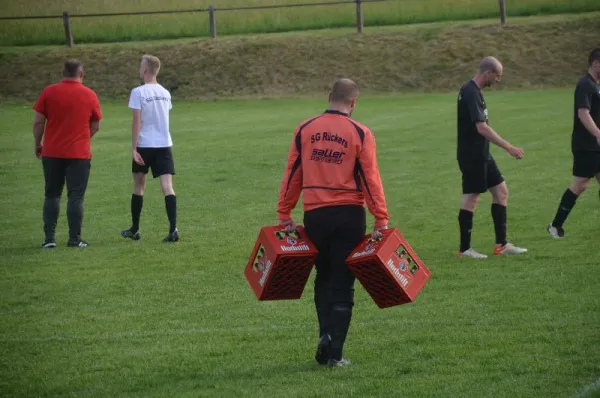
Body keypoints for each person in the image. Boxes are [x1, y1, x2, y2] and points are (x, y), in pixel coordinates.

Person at [276, 78, 390, 367]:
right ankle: (335, 352)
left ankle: (324, 335)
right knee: (343, 282)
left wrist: (284, 213)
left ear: (329, 97)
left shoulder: (305, 129)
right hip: (350, 214)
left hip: (315, 215)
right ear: (353, 103)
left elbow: (293, 174)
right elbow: (370, 178)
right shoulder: (361, 133)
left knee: (323, 277)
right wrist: (381, 218)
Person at [456, 56, 527, 259]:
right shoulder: (470, 92)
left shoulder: (474, 91)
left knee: (501, 192)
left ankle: (501, 245)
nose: (498, 80)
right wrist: (508, 147)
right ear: (487, 73)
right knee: (472, 197)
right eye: (497, 76)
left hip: (482, 154)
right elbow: (481, 127)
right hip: (472, 155)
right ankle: (464, 249)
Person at [33, 59, 102, 248]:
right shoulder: (89, 95)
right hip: (79, 154)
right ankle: (74, 238)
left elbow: (38, 122)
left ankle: (49, 239)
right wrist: (81, 138)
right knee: (75, 196)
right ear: (82, 74)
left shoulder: (49, 92)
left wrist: (38, 143)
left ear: (62, 73)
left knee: (52, 194)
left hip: (52, 152)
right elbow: (95, 125)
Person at [121, 54, 179, 242]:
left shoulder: (138, 92)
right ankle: (173, 229)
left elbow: (137, 122)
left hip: (145, 145)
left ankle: (135, 229)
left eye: (140, 66)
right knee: (167, 187)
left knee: (139, 186)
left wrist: (133, 148)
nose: (139, 69)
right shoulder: (165, 93)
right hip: (164, 145)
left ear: (145, 70)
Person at [548, 48, 600, 239]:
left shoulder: (596, 85)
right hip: (586, 145)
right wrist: (597, 133)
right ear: (595, 64)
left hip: (596, 145)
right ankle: (555, 226)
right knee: (579, 185)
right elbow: (583, 113)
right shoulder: (585, 85)